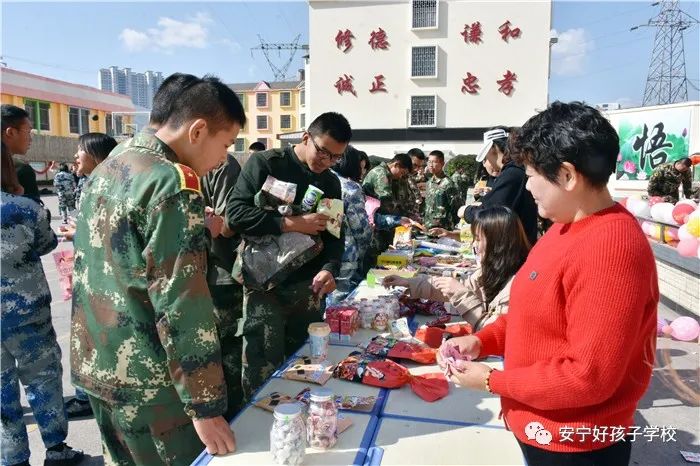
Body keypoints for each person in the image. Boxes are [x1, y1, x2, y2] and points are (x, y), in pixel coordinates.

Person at [438, 102, 658, 465]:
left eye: (531, 174)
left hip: (574, 445)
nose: (527, 186)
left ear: (567, 175)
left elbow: (588, 377)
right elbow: (532, 314)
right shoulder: (564, 226)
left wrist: (493, 381)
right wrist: (482, 340)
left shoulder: (611, 248)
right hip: (538, 428)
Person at [71, 73, 244, 464]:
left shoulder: (112, 165)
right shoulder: (171, 183)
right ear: (198, 131)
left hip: (97, 365)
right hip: (150, 384)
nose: (222, 159)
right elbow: (182, 302)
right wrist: (205, 404)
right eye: (226, 144)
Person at [227, 112, 349, 398]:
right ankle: (258, 420)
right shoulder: (267, 163)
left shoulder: (330, 183)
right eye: (323, 152)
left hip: (307, 288)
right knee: (261, 367)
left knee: (306, 363)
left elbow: (335, 233)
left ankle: (302, 415)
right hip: (264, 285)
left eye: (336, 157)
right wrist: (290, 223)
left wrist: (330, 268)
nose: (327, 161)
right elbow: (236, 214)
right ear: (306, 138)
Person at [1, 150, 84, 466]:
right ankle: (56, 449)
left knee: (1, 389)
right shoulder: (25, 208)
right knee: (43, 379)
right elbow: (47, 243)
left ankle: (13, 458)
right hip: (28, 312)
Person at [386, 206, 529, 330]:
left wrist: (461, 295)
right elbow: (462, 285)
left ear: (498, 243)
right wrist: (409, 282)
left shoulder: (518, 286)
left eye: (478, 239)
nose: (474, 245)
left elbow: (495, 332)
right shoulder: (495, 271)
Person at [200, 152, 245, 420]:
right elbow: (222, 224)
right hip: (211, 275)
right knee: (222, 350)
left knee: (224, 349)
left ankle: (228, 413)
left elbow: (223, 222)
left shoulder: (220, 164)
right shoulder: (218, 163)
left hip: (218, 274)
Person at [462, 127, 539, 245]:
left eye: (486, 155)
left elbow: (490, 213)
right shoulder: (518, 170)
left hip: (514, 249)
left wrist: (466, 211)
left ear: (492, 149)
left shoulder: (512, 173)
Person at [327, 146, 373, 304]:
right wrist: (366, 244)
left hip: (319, 252)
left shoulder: (322, 179)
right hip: (345, 253)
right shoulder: (350, 188)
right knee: (340, 301)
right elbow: (360, 228)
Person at [362, 153, 414, 271]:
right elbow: (386, 203)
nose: (401, 177)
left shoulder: (390, 175)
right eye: (402, 173)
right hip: (376, 223)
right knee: (376, 260)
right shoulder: (381, 173)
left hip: (383, 222)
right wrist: (400, 218)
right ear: (396, 165)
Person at [1, 105, 41, 202]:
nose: (30, 139)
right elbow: (35, 210)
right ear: (11, 132)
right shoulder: (22, 169)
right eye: (28, 132)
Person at [423, 150, 458, 229]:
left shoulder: (448, 184)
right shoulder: (429, 183)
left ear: (442, 164)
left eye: (434, 162)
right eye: (429, 162)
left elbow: (456, 207)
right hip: (428, 228)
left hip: (443, 229)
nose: (431, 165)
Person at [406, 147, 427, 216]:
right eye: (414, 165)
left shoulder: (410, 176)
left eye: (419, 166)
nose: (416, 169)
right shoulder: (397, 177)